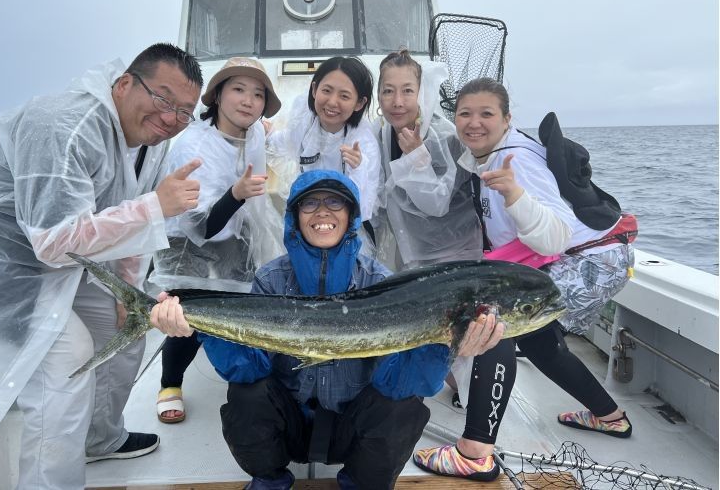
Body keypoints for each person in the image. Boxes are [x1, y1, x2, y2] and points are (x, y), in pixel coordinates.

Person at [0, 43, 204, 490]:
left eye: (184, 112)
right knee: (67, 360)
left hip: (51, 262)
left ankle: (100, 439)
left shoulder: (152, 148)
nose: (170, 117)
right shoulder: (62, 125)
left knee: (127, 329)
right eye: (163, 99)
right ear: (125, 83)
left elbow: (130, 228)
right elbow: (52, 241)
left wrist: (124, 292)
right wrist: (156, 205)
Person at [150, 169, 505, 490]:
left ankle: (361, 482)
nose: (322, 211)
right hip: (291, 421)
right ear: (295, 217)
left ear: (351, 216)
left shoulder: (381, 282)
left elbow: (405, 384)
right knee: (248, 395)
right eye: (310, 204)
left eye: (335, 201)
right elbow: (248, 369)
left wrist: (444, 344)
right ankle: (270, 478)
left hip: (352, 425)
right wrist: (207, 328)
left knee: (403, 407)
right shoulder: (270, 278)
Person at [414, 77, 635, 476]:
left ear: (507, 118)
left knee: (495, 324)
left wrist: (516, 195)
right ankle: (610, 415)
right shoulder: (486, 156)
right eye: (465, 113)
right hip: (592, 256)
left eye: (486, 114)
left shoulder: (515, 159)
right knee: (540, 342)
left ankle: (475, 452)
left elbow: (555, 235)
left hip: (590, 260)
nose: (474, 123)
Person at [375, 49, 515, 481]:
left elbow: (435, 202)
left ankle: (478, 439)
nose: (398, 100)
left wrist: (416, 154)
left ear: (422, 92)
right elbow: (388, 197)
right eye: (388, 90)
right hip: (416, 255)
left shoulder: (438, 135)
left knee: (472, 335)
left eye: (407, 90)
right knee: (442, 335)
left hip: (455, 256)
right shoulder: (383, 132)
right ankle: (456, 390)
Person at [149, 56, 284, 424]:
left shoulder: (253, 131)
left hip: (234, 230)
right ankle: (169, 384)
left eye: (257, 94)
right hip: (189, 242)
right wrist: (237, 194)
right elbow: (202, 227)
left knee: (236, 306)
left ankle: (239, 372)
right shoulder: (195, 145)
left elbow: (268, 143)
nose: (248, 101)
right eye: (238, 89)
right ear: (218, 95)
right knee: (187, 312)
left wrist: (270, 132)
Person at [265, 56, 381, 243]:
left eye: (344, 96)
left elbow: (364, 208)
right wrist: (265, 133)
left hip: (347, 234)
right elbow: (286, 143)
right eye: (326, 90)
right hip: (310, 223)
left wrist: (358, 168)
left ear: (359, 103)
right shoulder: (305, 123)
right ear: (314, 89)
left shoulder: (363, 143)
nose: (332, 102)